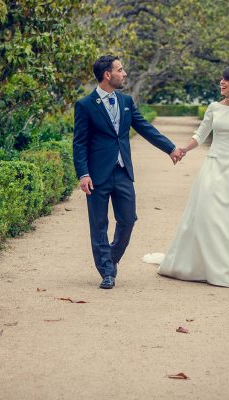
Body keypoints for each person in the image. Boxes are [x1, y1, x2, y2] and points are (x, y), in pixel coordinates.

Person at [149, 65, 229, 287]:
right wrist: (183, 150)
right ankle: (203, 265)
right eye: (221, 79)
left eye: (226, 80)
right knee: (208, 216)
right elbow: (200, 134)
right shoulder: (214, 107)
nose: (221, 83)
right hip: (213, 167)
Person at [73, 55, 185, 289]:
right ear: (107, 75)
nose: (124, 74)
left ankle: (110, 260)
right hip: (97, 175)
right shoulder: (84, 105)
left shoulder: (126, 101)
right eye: (120, 70)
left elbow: (144, 127)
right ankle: (106, 272)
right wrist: (83, 173)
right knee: (99, 224)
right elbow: (79, 143)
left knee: (128, 219)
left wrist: (171, 148)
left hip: (123, 172)